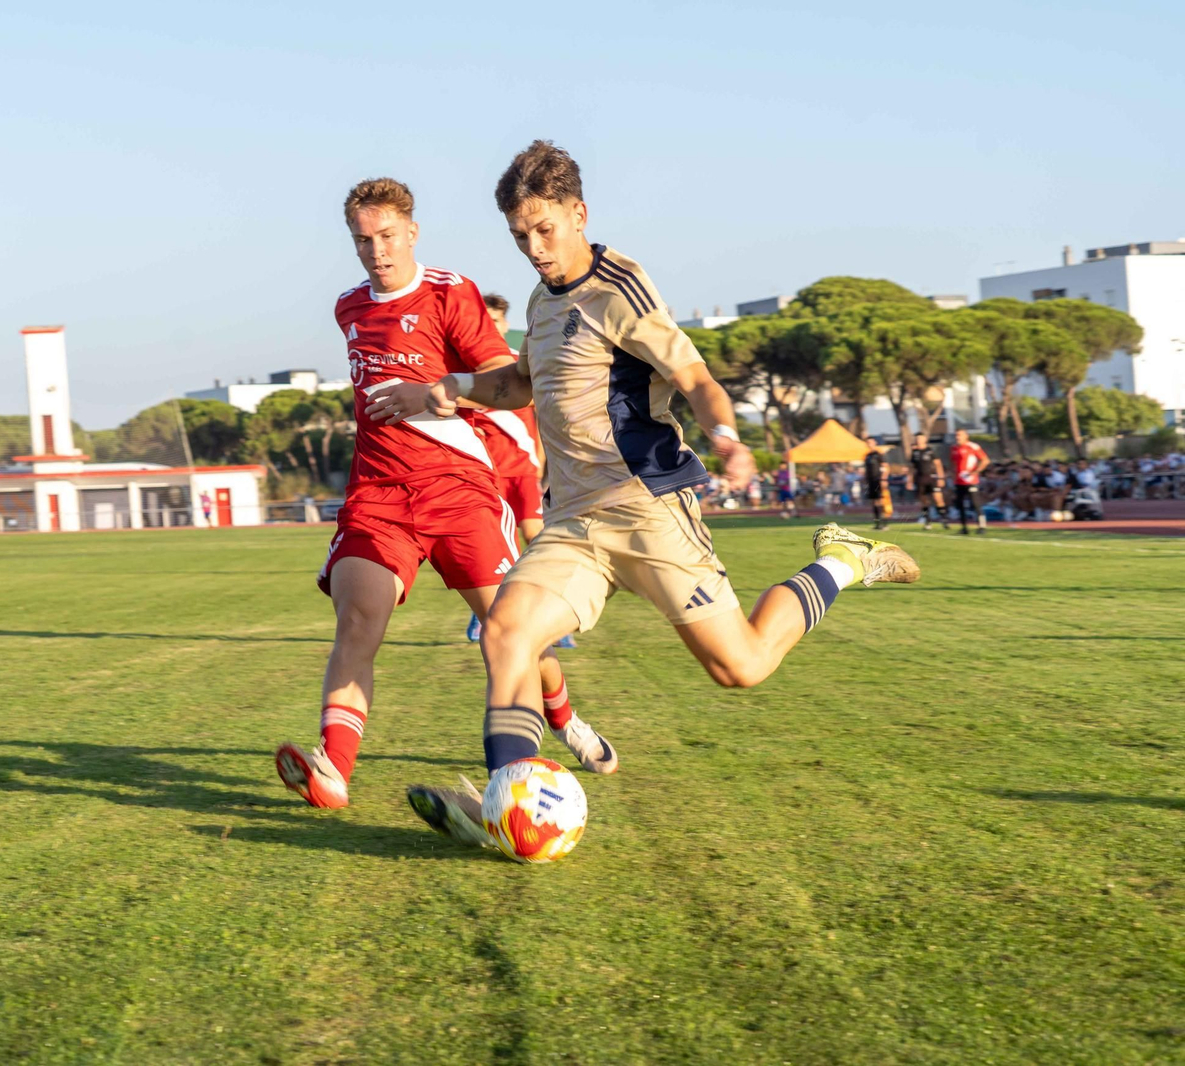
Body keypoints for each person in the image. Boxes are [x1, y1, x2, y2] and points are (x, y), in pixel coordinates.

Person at [366, 142, 920, 846]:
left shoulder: (619, 286)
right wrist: (445, 390)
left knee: (740, 667)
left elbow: (695, 378)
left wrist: (726, 436)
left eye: (545, 229)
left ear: (578, 213)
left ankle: (842, 560)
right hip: (574, 521)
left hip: (648, 507)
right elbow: (520, 386)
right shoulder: (541, 303)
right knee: (506, 633)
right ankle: (506, 803)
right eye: (519, 236)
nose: (534, 248)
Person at [274, 176, 616, 813]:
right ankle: (333, 770)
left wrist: (433, 392)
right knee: (356, 622)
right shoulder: (349, 308)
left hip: (459, 492)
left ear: (412, 232)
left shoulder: (448, 293)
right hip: (377, 495)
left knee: (509, 634)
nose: (376, 251)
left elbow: (505, 383)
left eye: (386, 236)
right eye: (362, 240)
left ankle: (564, 720)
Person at [463, 292, 576, 648]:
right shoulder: (465, 373)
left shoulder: (519, 366)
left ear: (505, 324)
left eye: (496, 321)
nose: (491, 327)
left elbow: (543, 415)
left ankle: (555, 620)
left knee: (538, 539)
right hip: (485, 474)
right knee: (494, 548)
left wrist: (545, 463)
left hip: (524, 472)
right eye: (485, 320)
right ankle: (487, 613)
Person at [949, 428, 990, 534]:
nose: (957, 437)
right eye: (956, 435)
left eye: (960, 435)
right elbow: (953, 464)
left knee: (976, 503)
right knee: (960, 504)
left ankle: (981, 526)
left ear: (966, 436)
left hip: (971, 480)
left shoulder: (973, 446)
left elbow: (985, 460)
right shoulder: (954, 448)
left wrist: (976, 471)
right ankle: (964, 527)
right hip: (959, 481)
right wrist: (953, 476)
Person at [909, 433, 950, 530]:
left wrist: (941, 478)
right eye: (917, 439)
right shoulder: (914, 452)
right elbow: (912, 467)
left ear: (924, 440)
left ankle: (944, 520)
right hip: (920, 479)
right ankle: (927, 522)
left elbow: (938, 464)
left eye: (920, 439)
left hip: (931, 478)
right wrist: (909, 480)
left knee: (938, 499)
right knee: (924, 501)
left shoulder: (930, 451)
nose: (918, 440)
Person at [863, 436, 890, 530]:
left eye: (870, 442)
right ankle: (877, 522)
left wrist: (883, 479)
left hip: (878, 480)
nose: (869, 444)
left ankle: (885, 522)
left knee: (881, 501)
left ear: (875, 443)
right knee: (874, 502)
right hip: (871, 481)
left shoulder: (879, 454)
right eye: (868, 442)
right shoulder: (867, 456)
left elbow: (885, 467)